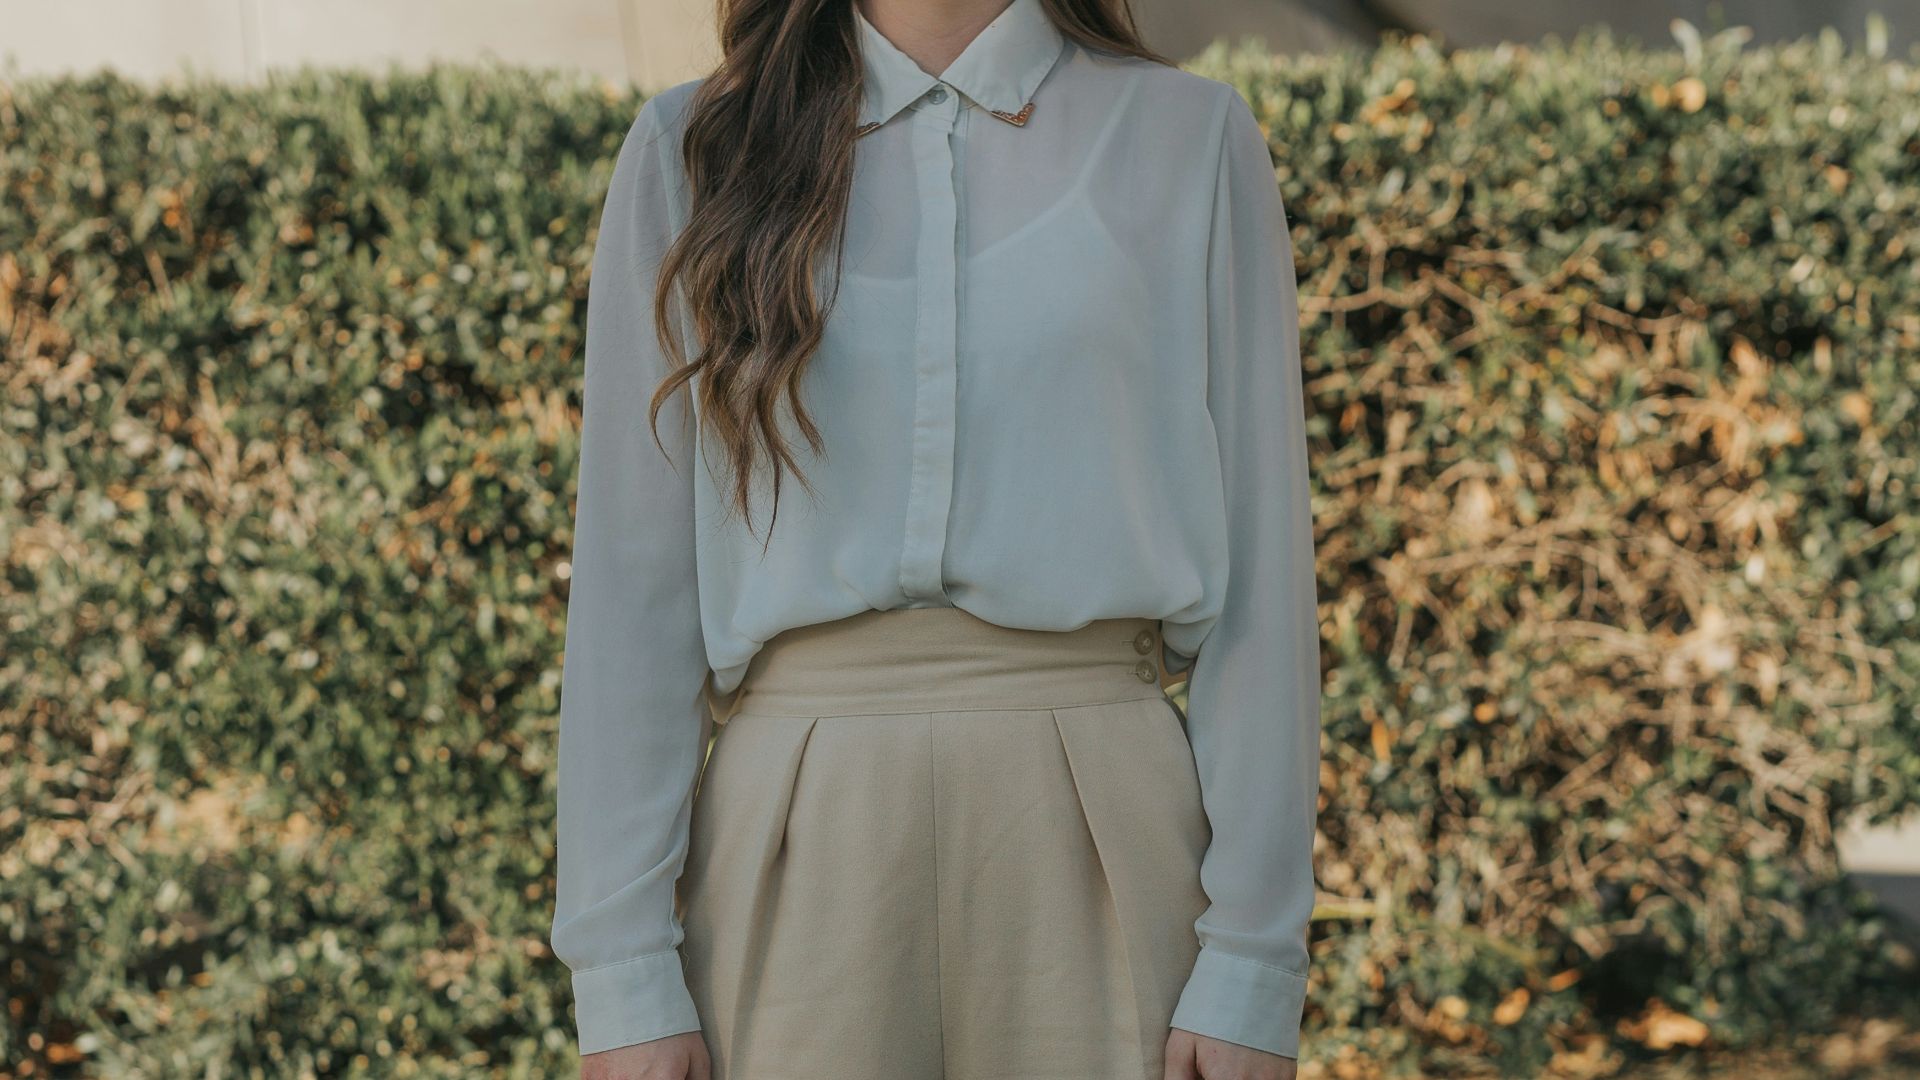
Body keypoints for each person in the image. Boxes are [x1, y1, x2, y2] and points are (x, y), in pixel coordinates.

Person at [548, 0, 1321, 1077]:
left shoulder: (1190, 138)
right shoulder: (695, 149)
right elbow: (635, 595)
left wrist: (1253, 957)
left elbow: (1264, 586)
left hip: (1109, 821)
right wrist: (622, 972)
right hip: (791, 837)